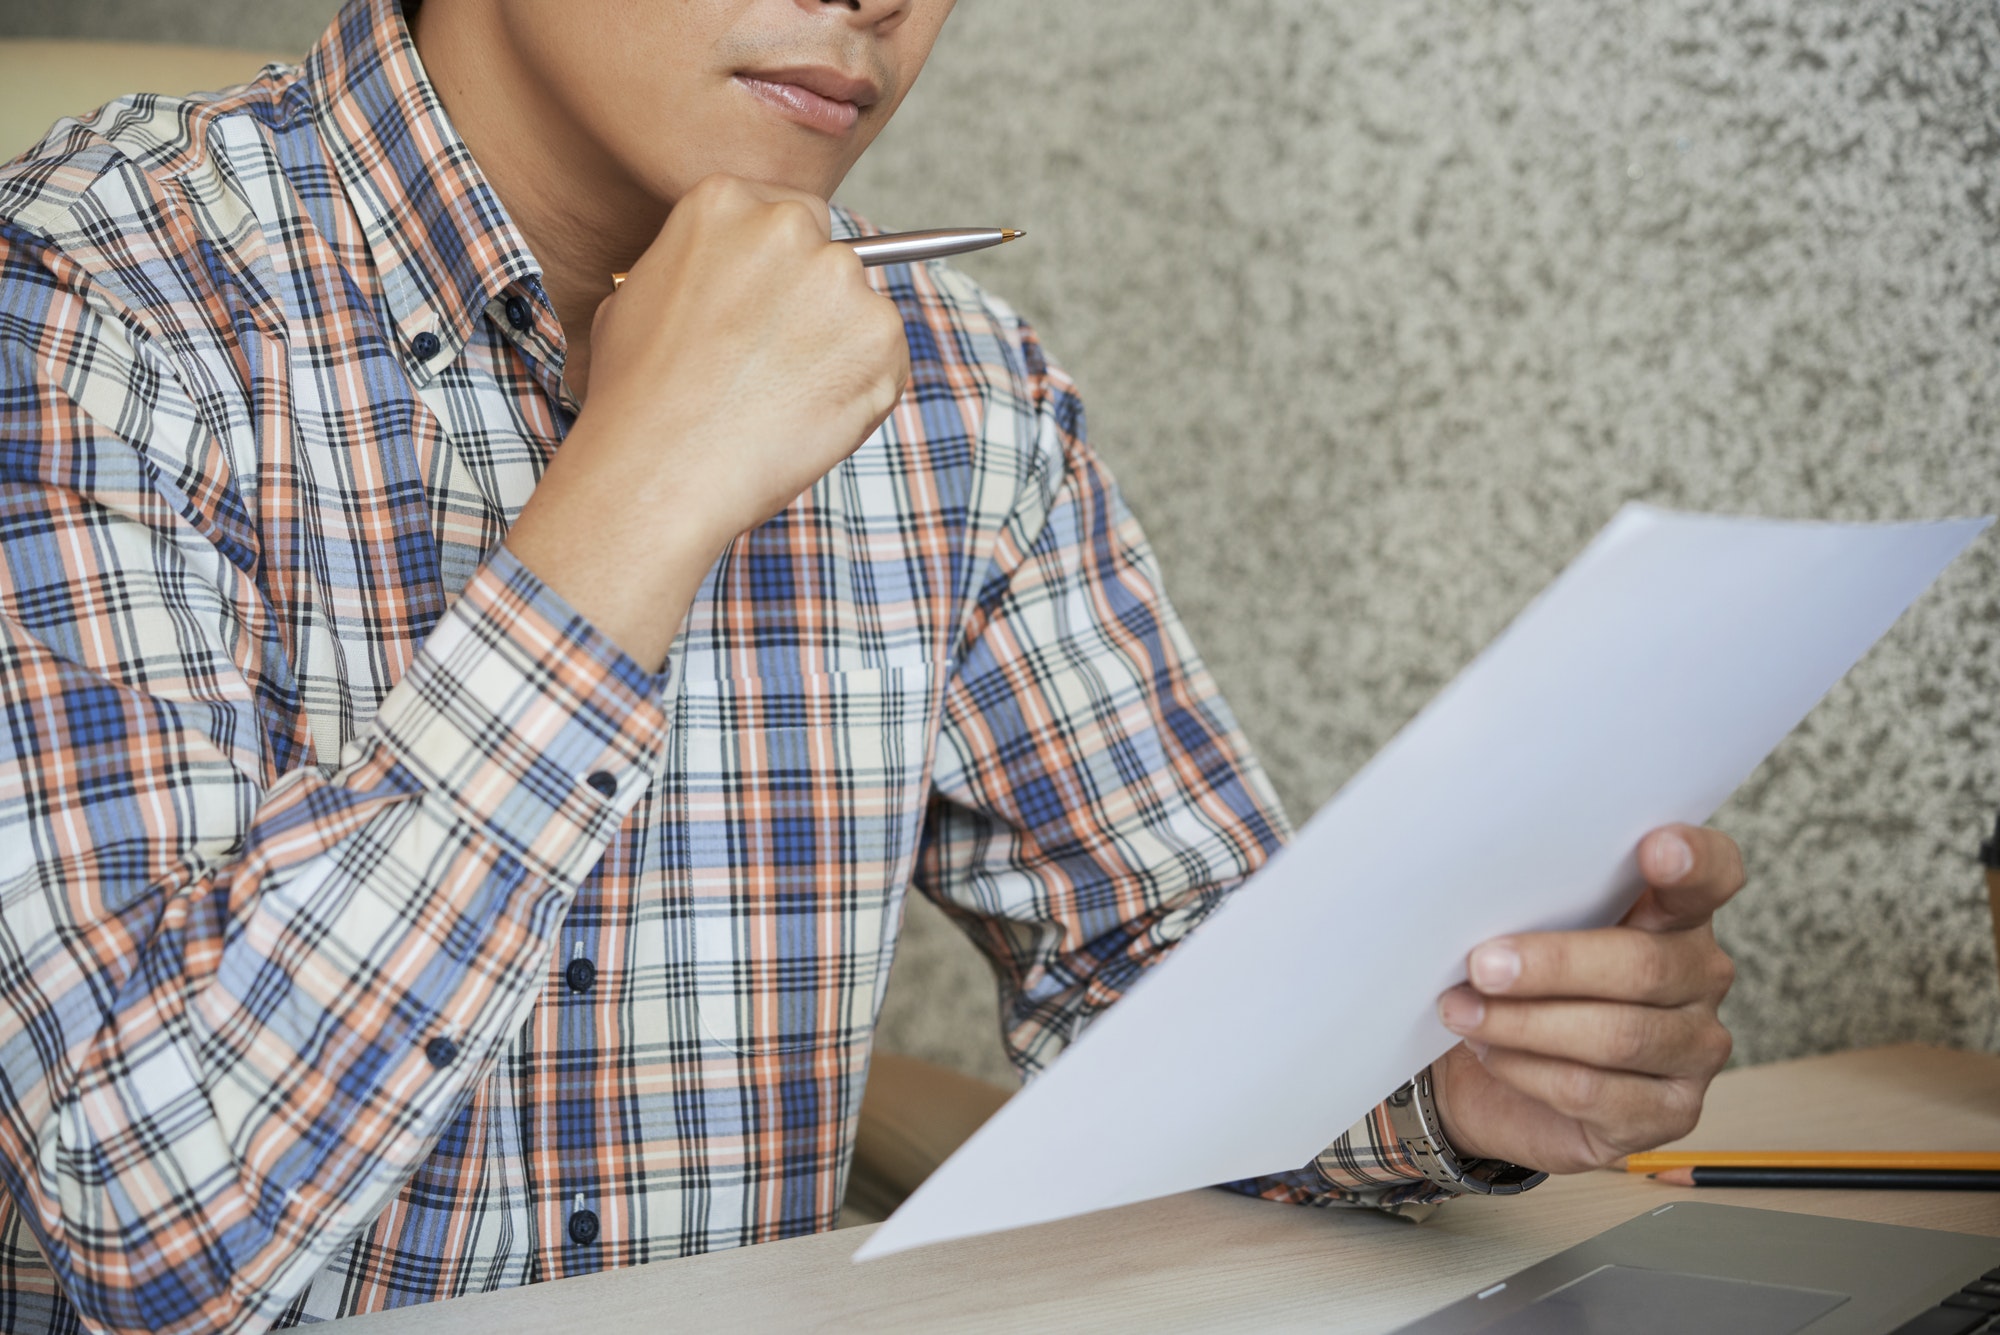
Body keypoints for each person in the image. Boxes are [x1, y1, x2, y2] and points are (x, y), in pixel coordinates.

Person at [0, 0, 1744, 1330]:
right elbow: (147, 1218)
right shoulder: (79, 306)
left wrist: (1449, 1076)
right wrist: (640, 492)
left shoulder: (961, 396)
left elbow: (1180, 999)